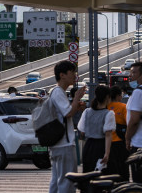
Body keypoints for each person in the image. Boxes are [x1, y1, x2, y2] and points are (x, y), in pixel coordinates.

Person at [47, 60, 87, 193]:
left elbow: (66, 112)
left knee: (56, 181)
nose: (75, 76)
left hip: (57, 144)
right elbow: (68, 113)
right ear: (62, 75)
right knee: (67, 182)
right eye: (72, 72)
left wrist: (76, 105)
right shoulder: (58, 92)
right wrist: (76, 99)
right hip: (64, 144)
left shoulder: (56, 92)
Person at [77, 85, 115, 172]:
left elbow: (82, 130)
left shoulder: (87, 112)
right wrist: (107, 153)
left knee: (88, 174)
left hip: (88, 146)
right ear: (107, 97)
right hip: (101, 147)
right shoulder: (109, 114)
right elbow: (108, 135)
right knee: (103, 176)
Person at [106, 85, 129, 181]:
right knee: (123, 168)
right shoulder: (124, 107)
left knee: (110, 169)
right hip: (120, 142)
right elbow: (128, 122)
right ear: (118, 96)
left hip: (107, 143)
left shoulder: (105, 107)